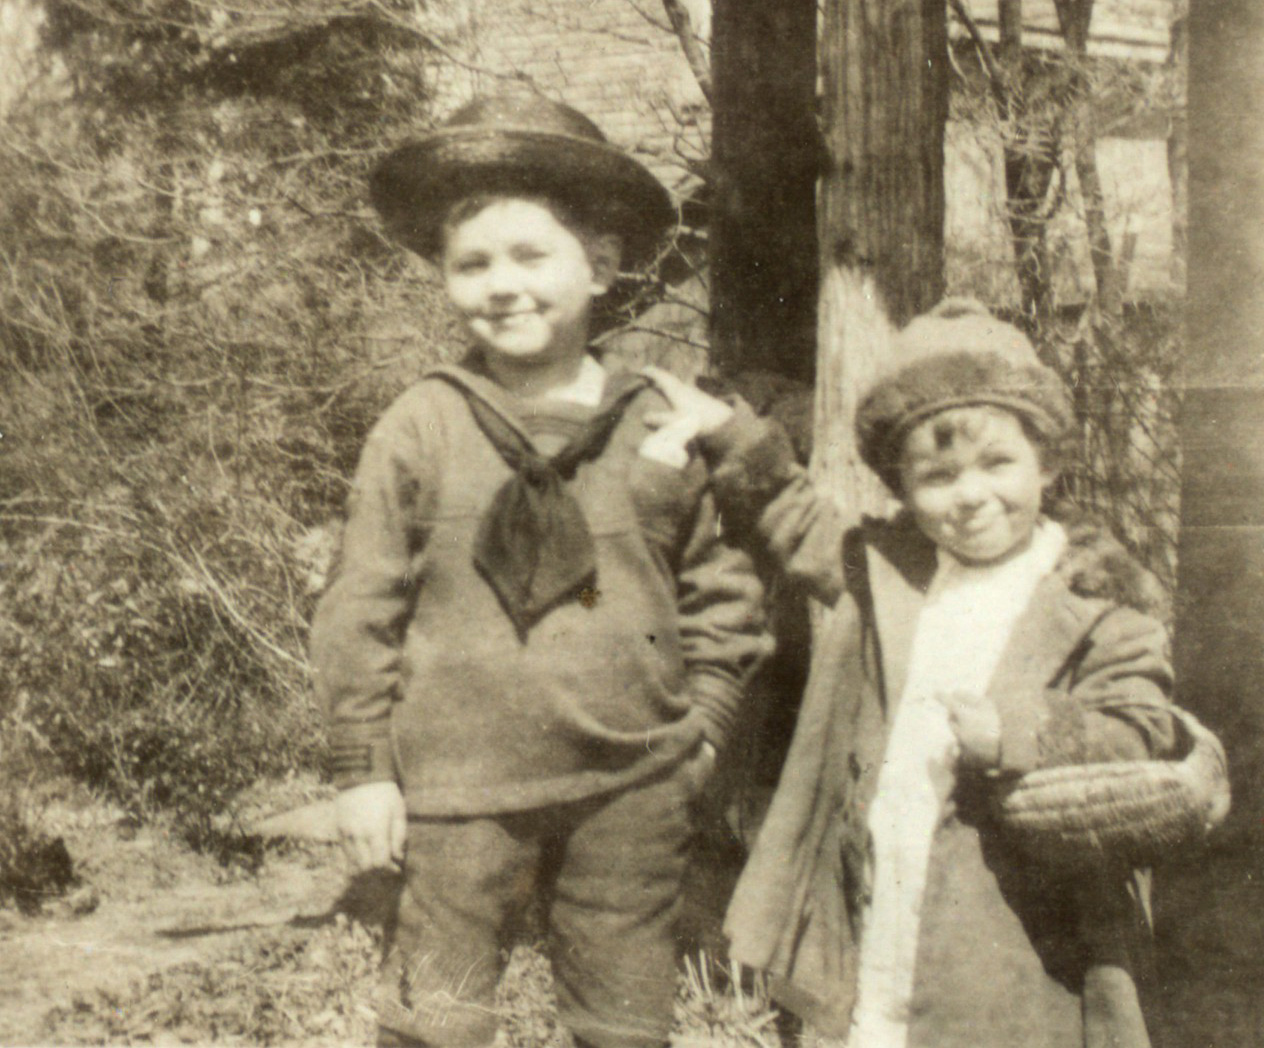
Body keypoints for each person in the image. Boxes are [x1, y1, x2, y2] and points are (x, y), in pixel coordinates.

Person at [310, 93, 765, 1048]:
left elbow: (723, 595)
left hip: (634, 782)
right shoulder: (422, 424)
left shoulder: (661, 421)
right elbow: (361, 607)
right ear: (443, 277)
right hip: (458, 793)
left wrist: (706, 734)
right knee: (437, 1020)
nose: (501, 286)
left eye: (531, 257)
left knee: (624, 1020)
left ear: (600, 266)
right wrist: (363, 771)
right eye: (472, 264)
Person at [643, 298, 1192, 1048]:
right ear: (901, 487)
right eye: (937, 475)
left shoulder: (1098, 600)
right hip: (879, 887)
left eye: (998, 464)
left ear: (1050, 462)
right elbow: (793, 514)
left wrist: (1020, 734)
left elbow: (1139, 729)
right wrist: (727, 430)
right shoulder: (893, 570)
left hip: (1009, 925)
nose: (970, 496)